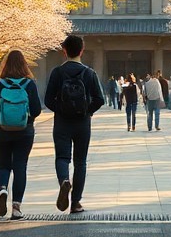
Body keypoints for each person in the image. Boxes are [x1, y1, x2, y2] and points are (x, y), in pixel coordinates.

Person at [44, 34, 105, 214]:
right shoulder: (89, 73)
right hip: (82, 124)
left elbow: (48, 100)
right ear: (82, 50)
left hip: (62, 123)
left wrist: (61, 110)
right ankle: (76, 202)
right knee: (80, 162)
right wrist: (86, 111)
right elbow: (99, 99)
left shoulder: (57, 72)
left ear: (64, 51)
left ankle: (64, 180)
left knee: (62, 158)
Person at [0, 50, 42, 220]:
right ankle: (16, 208)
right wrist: (27, 120)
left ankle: (2, 189)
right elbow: (36, 109)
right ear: (24, 64)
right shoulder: (29, 84)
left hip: (3, 131)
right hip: (24, 132)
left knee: (3, 165)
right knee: (20, 166)